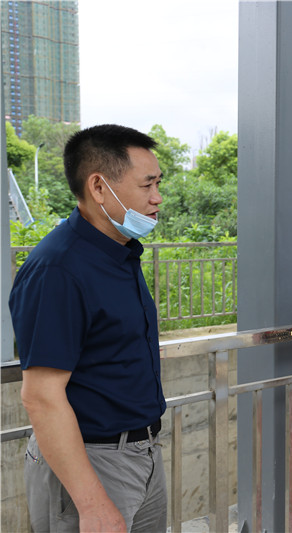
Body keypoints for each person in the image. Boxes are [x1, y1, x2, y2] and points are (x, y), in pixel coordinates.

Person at [9, 124, 167, 532]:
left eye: (158, 184)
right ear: (99, 187)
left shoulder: (119, 253)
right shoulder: (58, 269)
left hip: (143, 453)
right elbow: (41, 397)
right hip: (91, 463)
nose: (157, 197)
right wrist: (93, 504)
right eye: (147, 185)